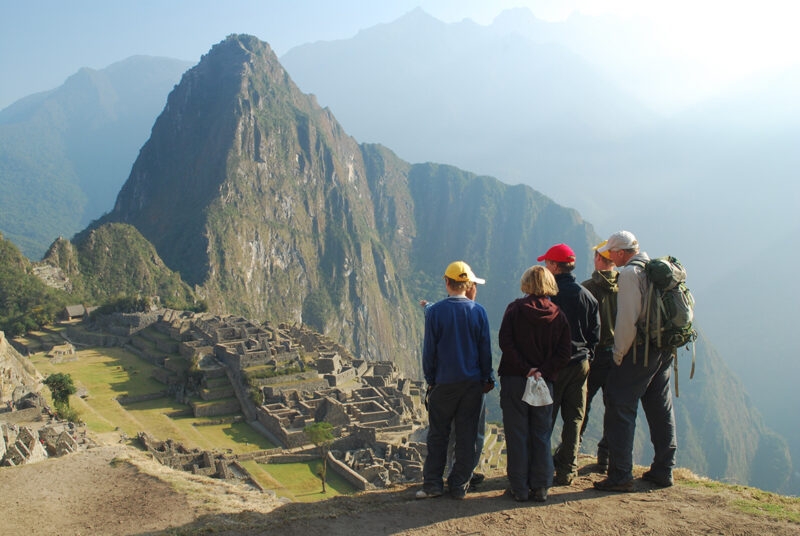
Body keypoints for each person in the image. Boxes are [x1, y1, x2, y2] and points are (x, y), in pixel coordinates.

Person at [594, 231, 677, 492]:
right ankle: (664, 470)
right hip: (663, 349)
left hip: (639, 351)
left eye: (611, 252)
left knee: (620, 405)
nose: (610, 257)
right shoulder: (652, 268)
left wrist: (619, 355)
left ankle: (620, 475)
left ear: (621, 252)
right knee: (659, 406)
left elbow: (627, 321)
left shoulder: (629, 275)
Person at [417, 261, 494, 500]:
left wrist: (430, 379)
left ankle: (432, 485)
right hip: (472, 384)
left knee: (438, 434)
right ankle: (459, 484)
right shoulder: (478, 311)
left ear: (447, 283)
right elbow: (485, 350)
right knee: (467, 435)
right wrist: (487, 377)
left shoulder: (436, 312)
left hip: (444, 383)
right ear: (468, 284)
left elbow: (429, 351)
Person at [498, 265, 571, 502]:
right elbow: (564, 352)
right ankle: (541, 486)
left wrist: (525, 369)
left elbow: (505, 343)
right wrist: (542, 371)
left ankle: (519, 487)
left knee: (516, 433)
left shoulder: (514, 310)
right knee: (541, 432)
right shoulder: (558, 315)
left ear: (527, 283)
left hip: (515, 380)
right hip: (543, 382)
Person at [539, 243, 600, 485]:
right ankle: (567, 470)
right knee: (574, 418)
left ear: (555, 266)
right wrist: (586, 356)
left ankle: (541, 469)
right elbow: (595, 334)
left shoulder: (548, 297)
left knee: (546, 417)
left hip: (554, 366)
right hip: (580, 364)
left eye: (547, 263)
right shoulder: (587, 296)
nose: (545, 266)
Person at [580, 240, 619, 473]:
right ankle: (606, 457)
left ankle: (571, 451)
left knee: (582, 405)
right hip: (618, 356)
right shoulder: (627, 287)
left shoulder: (587, 288)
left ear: (598, 259)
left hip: (593, 356)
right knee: (613, 407)